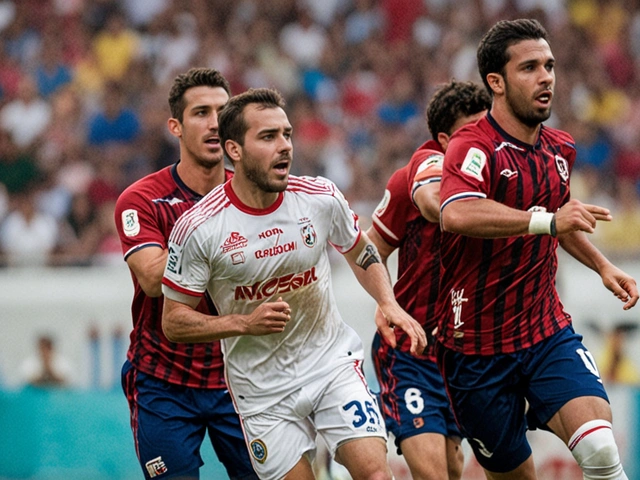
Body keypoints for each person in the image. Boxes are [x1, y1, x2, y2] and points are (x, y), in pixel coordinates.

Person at [161, 87, 427, 480]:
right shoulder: (200, 228)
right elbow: (174, 321)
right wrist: (243, 324)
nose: (284, 146)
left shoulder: (319, 198)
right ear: (234, 149)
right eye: (268, 137)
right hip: (262, 392)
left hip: (330, 365)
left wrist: (387, 302)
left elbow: (361, 252)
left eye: (286, 134)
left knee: (375, 473)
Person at [435, 18, 639, 480]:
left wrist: (603, 266)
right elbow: (457, 213)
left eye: (549, 65)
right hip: (475, 350)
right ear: (497, 83)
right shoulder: (473, 145)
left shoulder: (559, 149)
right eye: (529, 67)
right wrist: (547, 220)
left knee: (602, 450)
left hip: (544, 332)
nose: (546, 76)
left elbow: (562, 219)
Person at [114, 68, 257, 480]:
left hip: (237, 378)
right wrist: (213, 230)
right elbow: (153, 279)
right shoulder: (141, 199)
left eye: (223, 111)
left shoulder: (256, 195)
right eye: (201, 112)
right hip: (162, 381)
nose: (214, 122)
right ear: (175, 126)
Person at [369, 80, 491, 480]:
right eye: (469, 130)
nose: (480, 137)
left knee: (455, 468)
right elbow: (371, 249)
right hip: (409, 349)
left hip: (459, 353)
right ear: (443, 139)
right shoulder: (427, 165)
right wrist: (387, 303)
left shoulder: (493, 168)